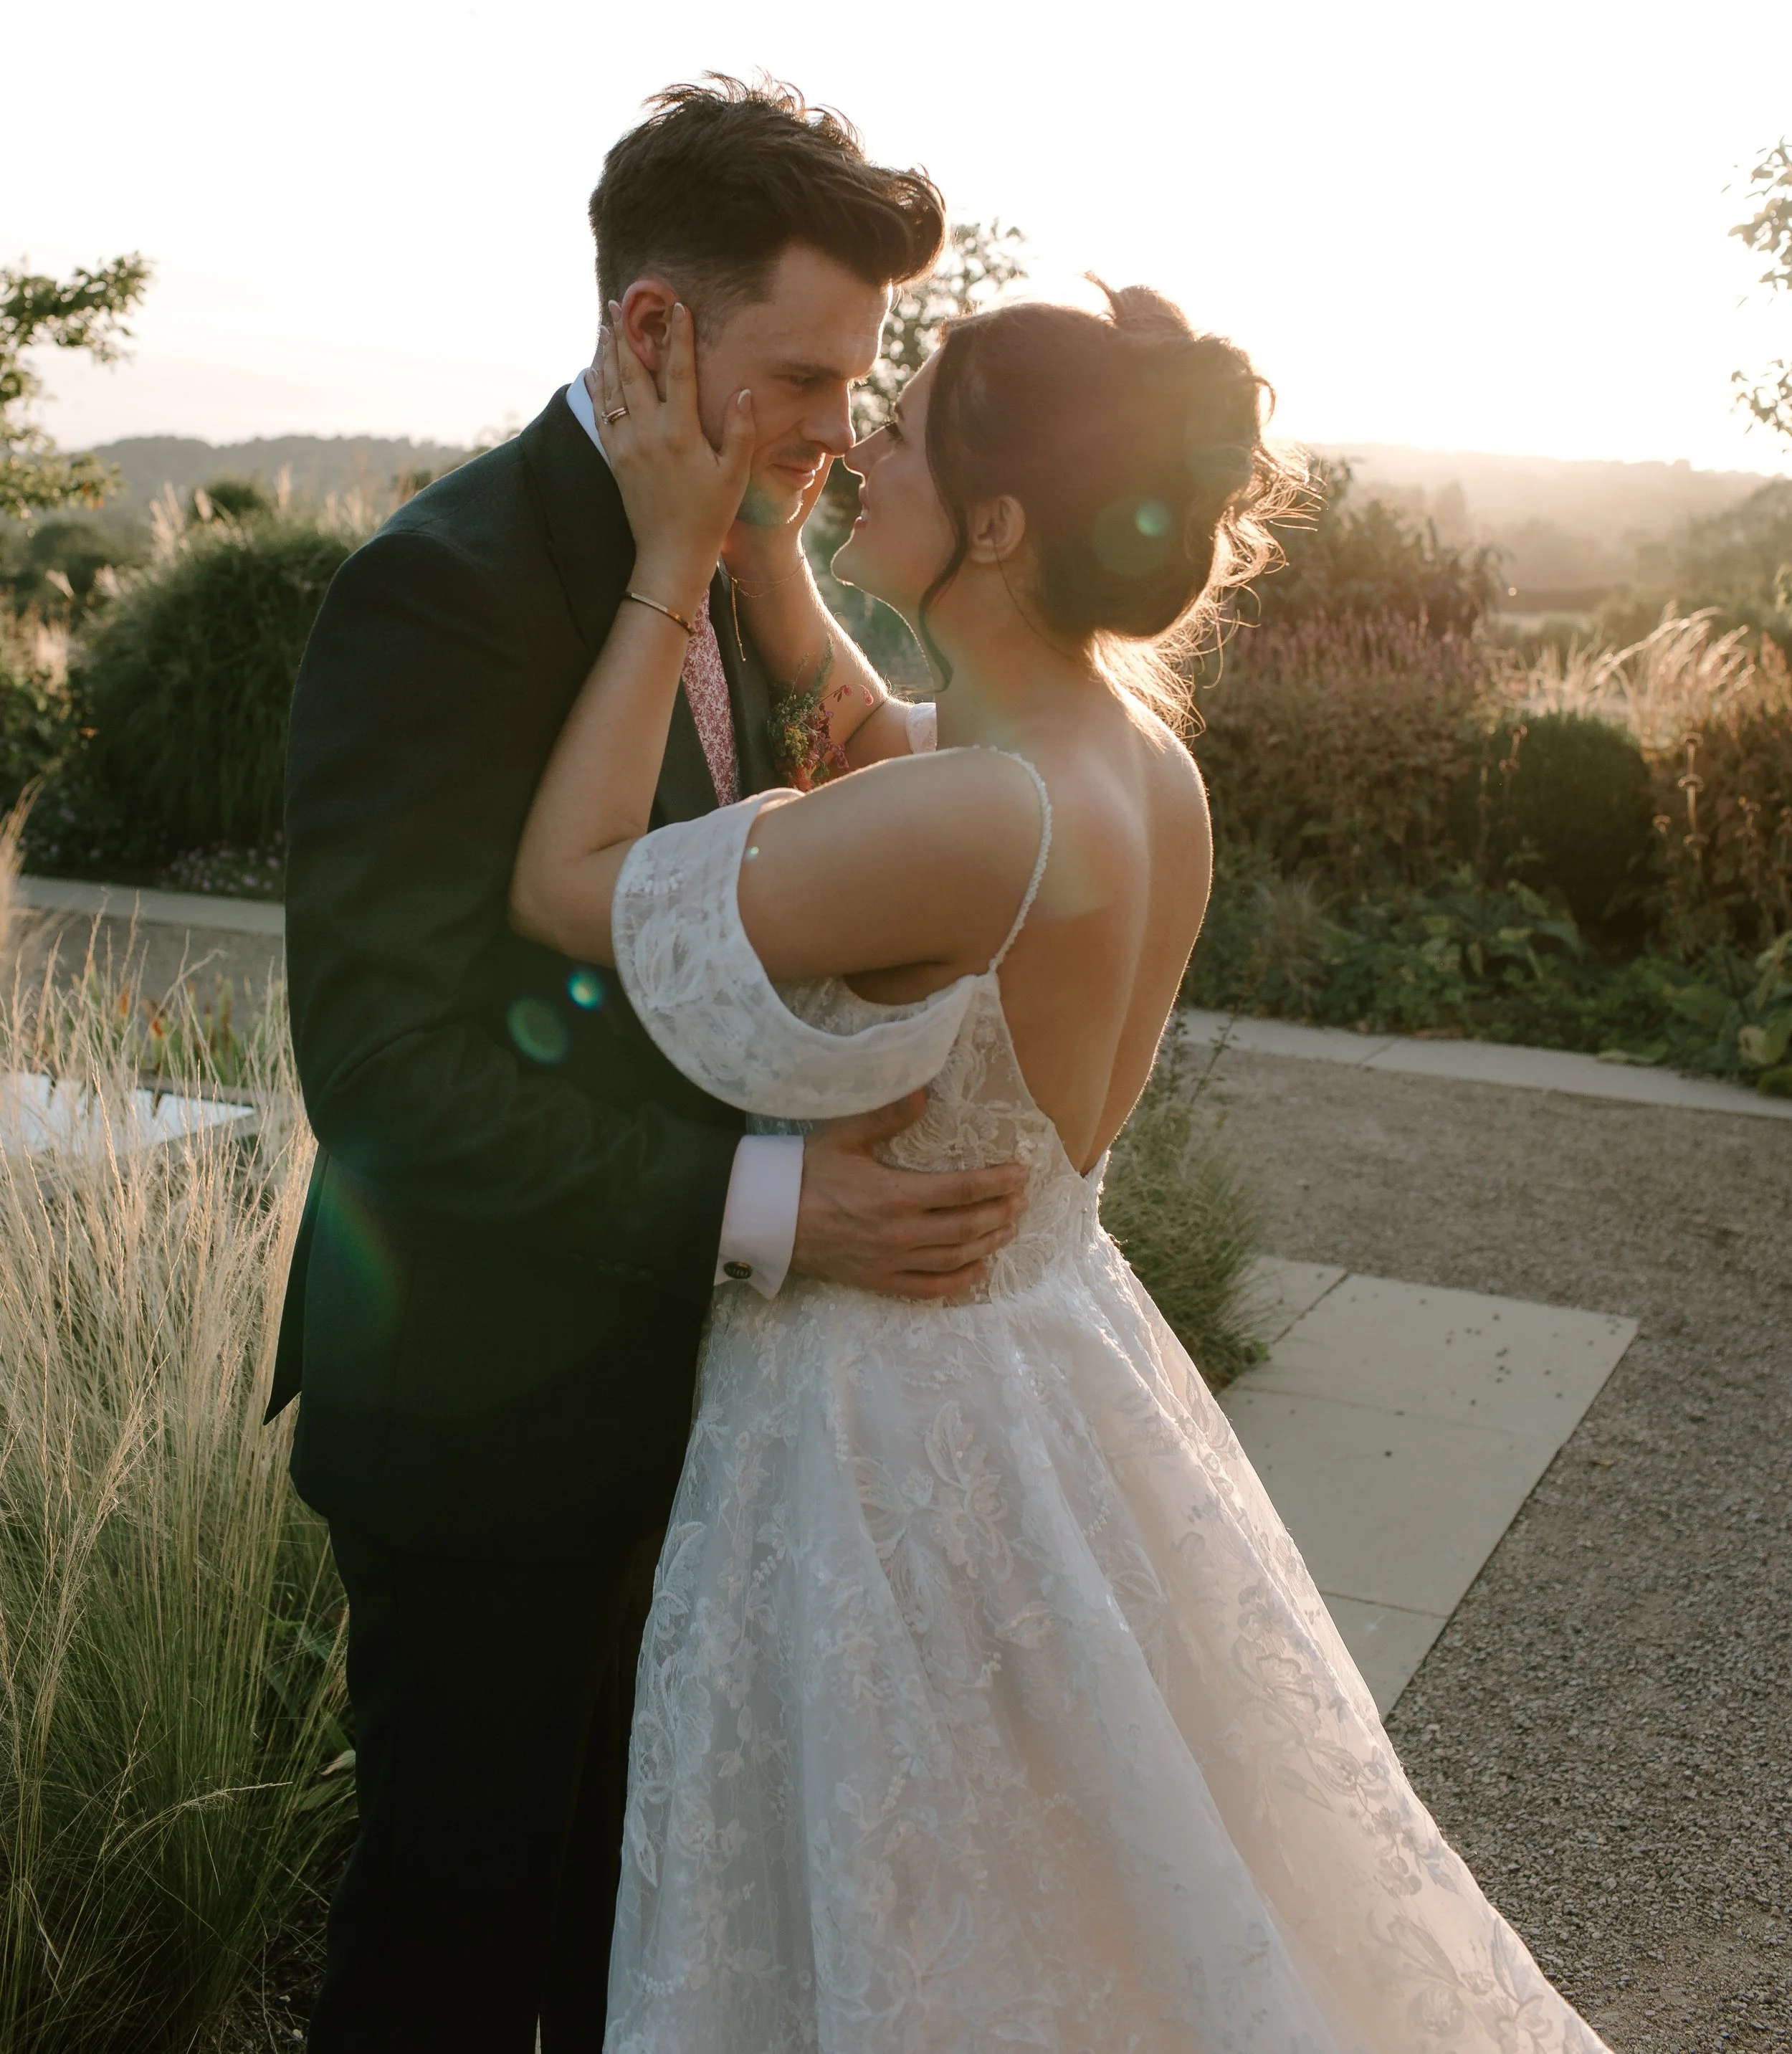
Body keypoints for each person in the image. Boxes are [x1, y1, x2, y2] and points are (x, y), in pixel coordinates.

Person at [507, 285, 1614, 2053]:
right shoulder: (1123, 763)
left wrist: (665, 562)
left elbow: (570, 887)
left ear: (999, 524)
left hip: (889, 1420)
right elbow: (888, 753)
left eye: (906, 421)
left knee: (910, 1911)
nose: (859, 435)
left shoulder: (980, 818)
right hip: (1053, 1358)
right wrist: (776, 560)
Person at [272, 77, 1034, 2054]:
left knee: (630, 1947)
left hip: (705, 1414)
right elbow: (391, 1070)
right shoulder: (439, 591)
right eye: (800, 374)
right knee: (448, 1947)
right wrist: (788, 1204)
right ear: (651, 336)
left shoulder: (749, 576)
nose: (834, 432)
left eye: (856, 385)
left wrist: (759, 570)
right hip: (483, 1429)